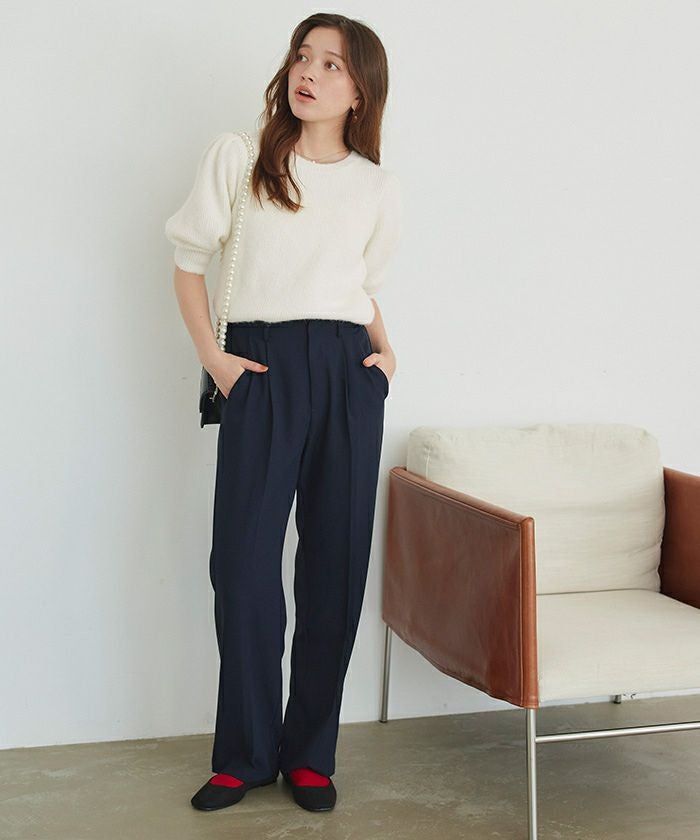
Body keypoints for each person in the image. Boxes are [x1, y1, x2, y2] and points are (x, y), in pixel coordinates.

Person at [164, 12, 403, 814]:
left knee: (335, 565)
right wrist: (217, 361)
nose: (310, 72)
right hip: (259, 368)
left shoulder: (376, 186)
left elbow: (360, 285)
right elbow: (189, 262)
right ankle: (244, 754)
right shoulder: (241, 157)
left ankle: (310, 755)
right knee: (242, 566)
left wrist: (386, 356)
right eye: (304, 56)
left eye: (333, 64)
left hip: (346, 370)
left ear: (360, 90)